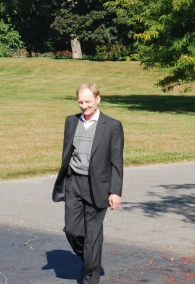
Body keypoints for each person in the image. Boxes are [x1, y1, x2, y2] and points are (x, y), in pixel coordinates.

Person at [52, 83, 124, 284]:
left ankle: (90, 277)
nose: (84, 106)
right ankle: (90, 260)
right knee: (72, 230)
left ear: (98, 99)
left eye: (88, 102)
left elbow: (116, 161)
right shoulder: (71, 122)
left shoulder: (112, 126)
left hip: (98, 186)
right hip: (74, 182)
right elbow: (67, 152)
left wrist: (115, 191)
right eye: (80, 102)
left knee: (92, 234)